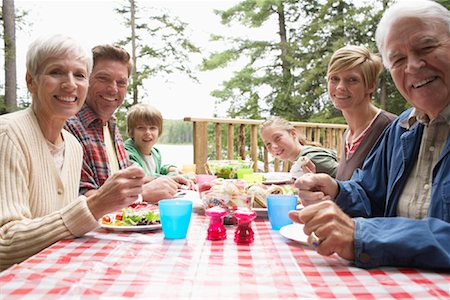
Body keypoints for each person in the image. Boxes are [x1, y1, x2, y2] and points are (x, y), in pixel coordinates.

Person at [289, 0, 450, 269]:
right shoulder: (402, 130)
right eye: (398, 59)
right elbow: (370, 193)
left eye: (427, 47)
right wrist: (337, 191)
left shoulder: (386, 125)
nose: (412, 66)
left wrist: (365, 236)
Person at [0, 35, 145, 271]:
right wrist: (93, 205)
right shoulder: (8, 134)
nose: (70, 84)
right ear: (31, 81)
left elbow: (65, 232)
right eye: (56, 72)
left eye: (79, 75)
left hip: (56, 275)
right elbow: (4, 244)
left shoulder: (73, 146)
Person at [65, 44, 188, 202]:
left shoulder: (110, 125)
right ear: (85, 79)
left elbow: (124, 180)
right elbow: (80, 199)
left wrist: (168, 180)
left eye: (121, 82)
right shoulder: (69, 126)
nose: (113, 89)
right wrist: (142, 195)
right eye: (103, 78)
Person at [327, 45, 397, 180]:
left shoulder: (390, 129)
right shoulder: (348, 135)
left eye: (352, 80)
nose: (340, 87)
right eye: (334, 78)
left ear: (371, 85)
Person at [260, 116, 339, 178]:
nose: (274, 146)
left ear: (293, 133)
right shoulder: (299, 160)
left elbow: (346, 180)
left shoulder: (312, 159)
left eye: (277, 138)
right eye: (268, 144)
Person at [125, 103, 180, 177]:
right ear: (131, 132)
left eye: (152, 128)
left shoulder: (155, 153)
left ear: (159, 131)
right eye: (141, 128)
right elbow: (144, 177)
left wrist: (168, 169)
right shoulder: (127, 153)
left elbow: (155, 171)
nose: (148, 132)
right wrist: (175, 176)